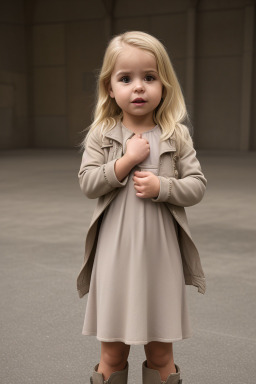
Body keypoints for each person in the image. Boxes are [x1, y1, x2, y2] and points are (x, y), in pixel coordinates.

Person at [77, 31, 207, 384]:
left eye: (149, 78)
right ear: (109, 88)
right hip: (114, 258)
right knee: (112, 351)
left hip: (159, 258)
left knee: (161, 351)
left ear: (163, 86)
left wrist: (162, 187)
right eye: (126, 78)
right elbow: (88, 182)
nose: (138, 87)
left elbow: (196, 186)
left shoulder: (175, 135)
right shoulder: (102, 134)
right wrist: (125, 161)